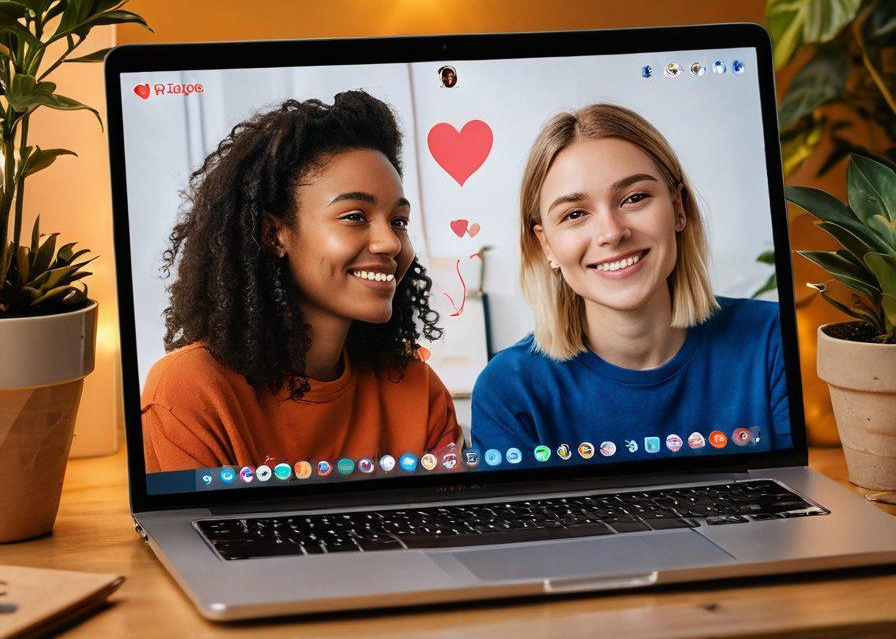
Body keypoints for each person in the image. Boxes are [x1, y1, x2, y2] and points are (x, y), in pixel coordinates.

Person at [142, 91, 460, 473]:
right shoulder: (190, 391)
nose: (391, 242)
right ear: (275, 234)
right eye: (355, 216)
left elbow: (445, 524)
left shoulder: (418, 389)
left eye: (399, 221)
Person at [471, 103, 791, 460]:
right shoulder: (509, 390)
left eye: (634, 198)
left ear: (678, 208)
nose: (611, 232)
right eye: (575, 214)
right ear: (546, 244)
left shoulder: (772, 340)